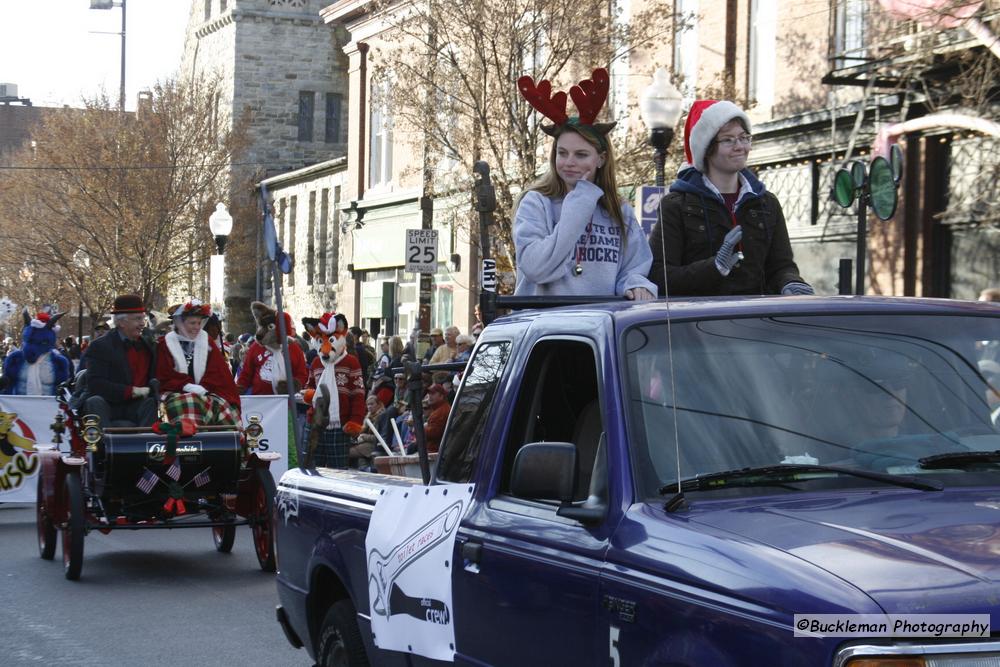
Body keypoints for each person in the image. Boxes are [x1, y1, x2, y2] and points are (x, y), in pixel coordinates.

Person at [513, 67, 657, 300]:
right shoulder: (536, 202)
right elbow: (536, 267)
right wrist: (579, 202)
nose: (569, 163)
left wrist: (636, 285)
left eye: (581, 155)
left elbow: (635, 268)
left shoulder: (619, 210)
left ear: (600, 159)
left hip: (600, 327)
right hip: (546, 327)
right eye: (562, 153)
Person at [648, 100, 812, 297]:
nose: (740, 146)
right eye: (728, 140)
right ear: (706, 149)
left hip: (756, 321)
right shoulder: (677, 205)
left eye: (744, 138)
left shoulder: (766, 203)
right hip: (697, 323)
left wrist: (791, 283)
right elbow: (658, 277)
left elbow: (780, 266)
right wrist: (714, 267)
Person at [156, 299, 241, 426]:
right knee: (189, 403)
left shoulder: (206, 342)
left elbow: (218, 372)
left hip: (206, 391)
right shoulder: (165, 343)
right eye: (192, 323)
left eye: (199, 323)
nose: (197, 327)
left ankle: (224, 443)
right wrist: (187, 386)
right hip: (173, 392)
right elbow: (163, 374)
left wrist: (204, 388)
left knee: (224, 408)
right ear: (181, 323)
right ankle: (189, 440)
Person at [79, 294, 158, 426]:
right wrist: (131, 391)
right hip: (108, 405)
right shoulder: (100, 346)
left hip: (136, 406)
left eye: (143, 319)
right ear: (121, 322)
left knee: (150, 403)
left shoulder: (148, 346)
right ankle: (104, 445)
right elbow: (96, 384)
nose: (142, 323)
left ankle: (145, 444)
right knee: (94, 401)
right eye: (137, 319)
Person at [423, 383, 452, 454]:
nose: (429, 396)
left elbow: (432, 434)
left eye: (433, 394)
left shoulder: (441, 412)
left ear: (441, 396)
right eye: (429, 393)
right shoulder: (440, 409)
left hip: (434, 452)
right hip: (435, 450)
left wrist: (418, 428)